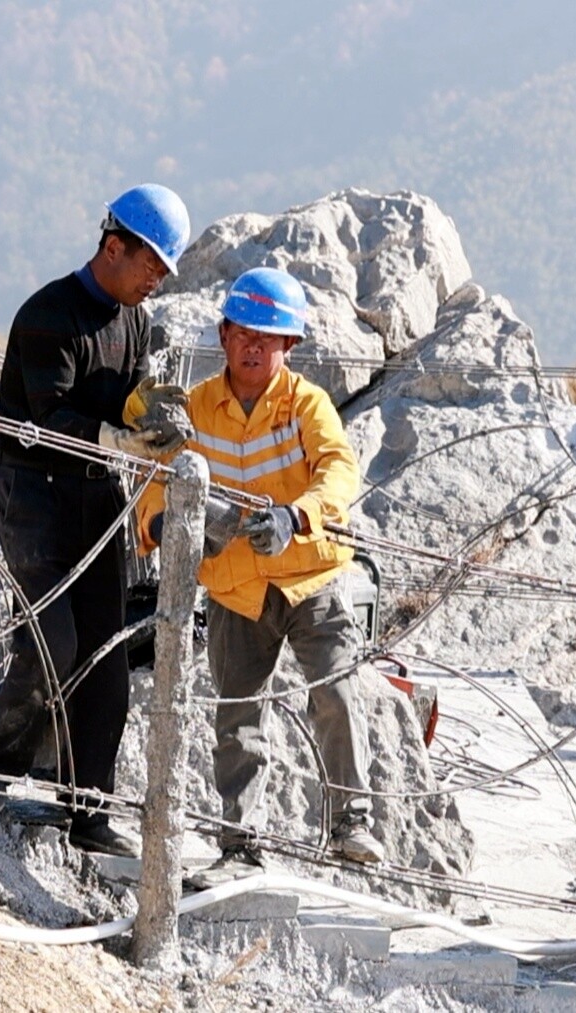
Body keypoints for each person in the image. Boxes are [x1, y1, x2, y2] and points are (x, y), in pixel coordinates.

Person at [137, 266, 384, 882]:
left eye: (267, 338)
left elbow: (338, 471)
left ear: (288, 348)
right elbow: (156, 481)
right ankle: (240, 846)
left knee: (336, 690)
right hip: (235, 587)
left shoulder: (307, 405)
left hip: (310, 577)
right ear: (223, 334)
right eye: (244, 333)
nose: (253, 347)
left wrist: (296, 516)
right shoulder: (195, 408)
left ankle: (351, 824)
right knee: (238, 718)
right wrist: (161, 525)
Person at [0, 184, 192, 858]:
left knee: (104, 654)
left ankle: (87, 809)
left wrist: (148, 410)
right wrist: (122, 437)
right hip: (32, 495)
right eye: (149, 264)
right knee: (52, 641)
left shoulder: (136, 323)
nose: (155, 281)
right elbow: (46, 420)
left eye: (162, 271)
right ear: (112, 245)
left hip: (95, 496)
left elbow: (123, 395)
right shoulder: (49, 315)